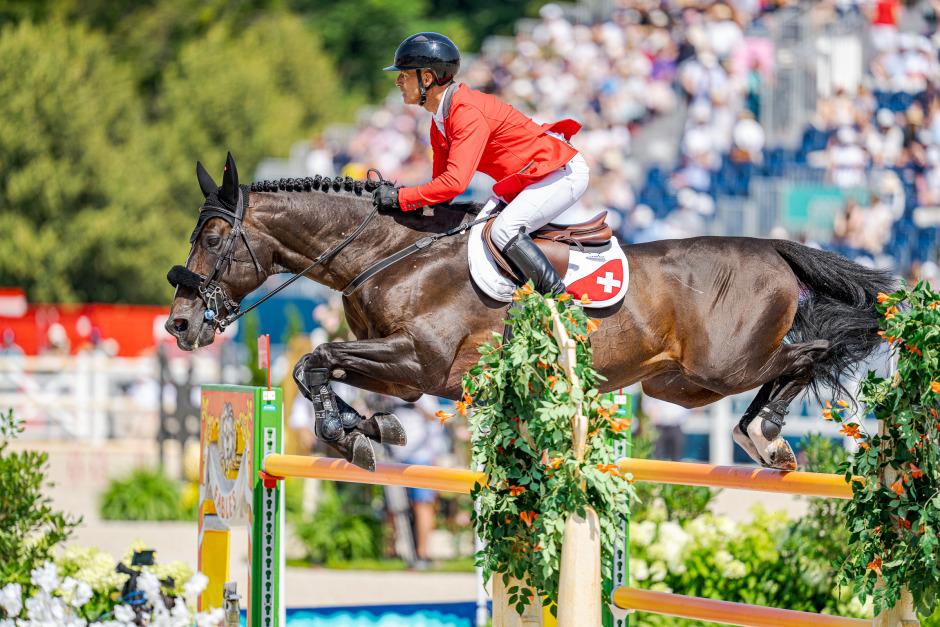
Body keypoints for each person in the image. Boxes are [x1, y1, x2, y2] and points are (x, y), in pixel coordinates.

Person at [371, 32, 590, 296]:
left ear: (427, 79)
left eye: (404, 75)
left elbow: (455, 183)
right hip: (532, 177)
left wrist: (400, 197)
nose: (398, 82)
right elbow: (441, 191)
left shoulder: (465, 112)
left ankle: (559, 301)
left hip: (559, 172)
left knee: (504, 230)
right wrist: (401, 206)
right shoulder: (440, 122)